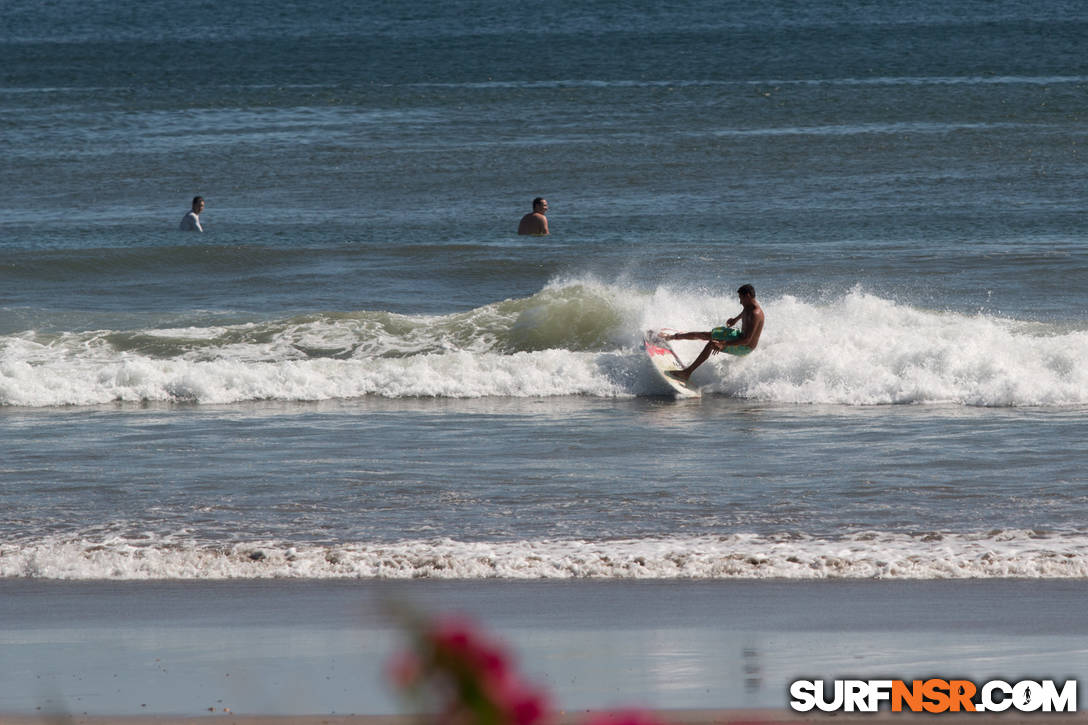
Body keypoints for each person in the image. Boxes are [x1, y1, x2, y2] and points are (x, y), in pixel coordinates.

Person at [664, 283, 764, 383]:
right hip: (739, 336)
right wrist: (735, 320)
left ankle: (686, 373)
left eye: (741, 298)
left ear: (747, 296)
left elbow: (746, 341)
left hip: (744, 347)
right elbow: (744, 312)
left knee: (712, 344)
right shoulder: (748, 305)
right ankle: (672, 337)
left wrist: (722, 343)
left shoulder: (755, 314)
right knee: (706, 334)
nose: (740, 302)